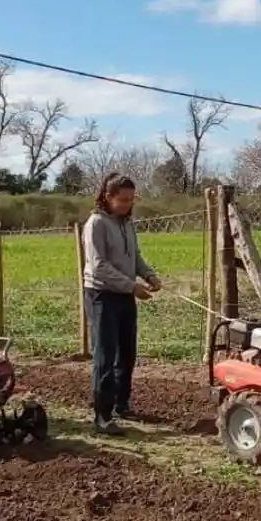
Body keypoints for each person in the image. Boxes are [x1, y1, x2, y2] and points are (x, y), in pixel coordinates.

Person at [82, 173, 161, 436]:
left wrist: (148, 274)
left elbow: (134, 256)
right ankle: (102, 416)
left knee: (126, 352)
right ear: (108, 197)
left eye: (130, 200)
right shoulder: (96, 224)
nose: (127, 204)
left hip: (125, 293)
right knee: (105, 354)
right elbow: (99, 266)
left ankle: (121, 404)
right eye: (122, 200)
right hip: (102, 295)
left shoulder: (127, 224)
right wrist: (132, 286)